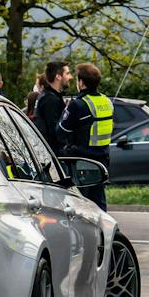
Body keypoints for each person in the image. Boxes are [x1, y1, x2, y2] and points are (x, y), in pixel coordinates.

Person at [58, 62, 113, 211]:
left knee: (81, 208)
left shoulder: (78, 104)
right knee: (99, 206)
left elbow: (60, 131)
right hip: (102, 161)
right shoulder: (107, 101)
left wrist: (66, 110)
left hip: (82, 162)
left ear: (81, 83)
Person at [33, 61, 70, 154]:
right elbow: (54, 131)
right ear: (58, 76)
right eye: (67, 74)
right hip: (54, 155)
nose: (70, 77)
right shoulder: (50, 99)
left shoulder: (51, 96)